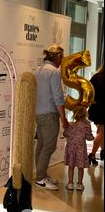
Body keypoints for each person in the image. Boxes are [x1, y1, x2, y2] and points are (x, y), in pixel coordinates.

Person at [34, 44, 69, 190]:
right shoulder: (54, 72)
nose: (62, 61)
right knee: (48, 146)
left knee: (41, 145)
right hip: (49, 115)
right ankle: (40, 178)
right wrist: (64, 118)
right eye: (62, 57)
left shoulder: (39, 70)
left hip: (38, 114)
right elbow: (58, 98)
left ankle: (41, 175)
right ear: (58, 57)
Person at [63, 107, 95, 191]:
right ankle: (80, 184)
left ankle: (70, 183)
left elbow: (65, 134)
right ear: (85, 115)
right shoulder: (86, 126)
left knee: (71, 166)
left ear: (75, 115)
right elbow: (89, 137)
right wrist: (92, 136)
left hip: (71, 149)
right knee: (80, 167)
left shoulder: (71, 125)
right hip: (81, 150)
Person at [87, 65, 104, 165]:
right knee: (102, 132)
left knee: (101, 131)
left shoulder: (96, 77)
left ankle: (102, 152)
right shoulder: (97, 77)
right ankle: (92, 154)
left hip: (96, 108)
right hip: (101, 109)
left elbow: (89, 91)